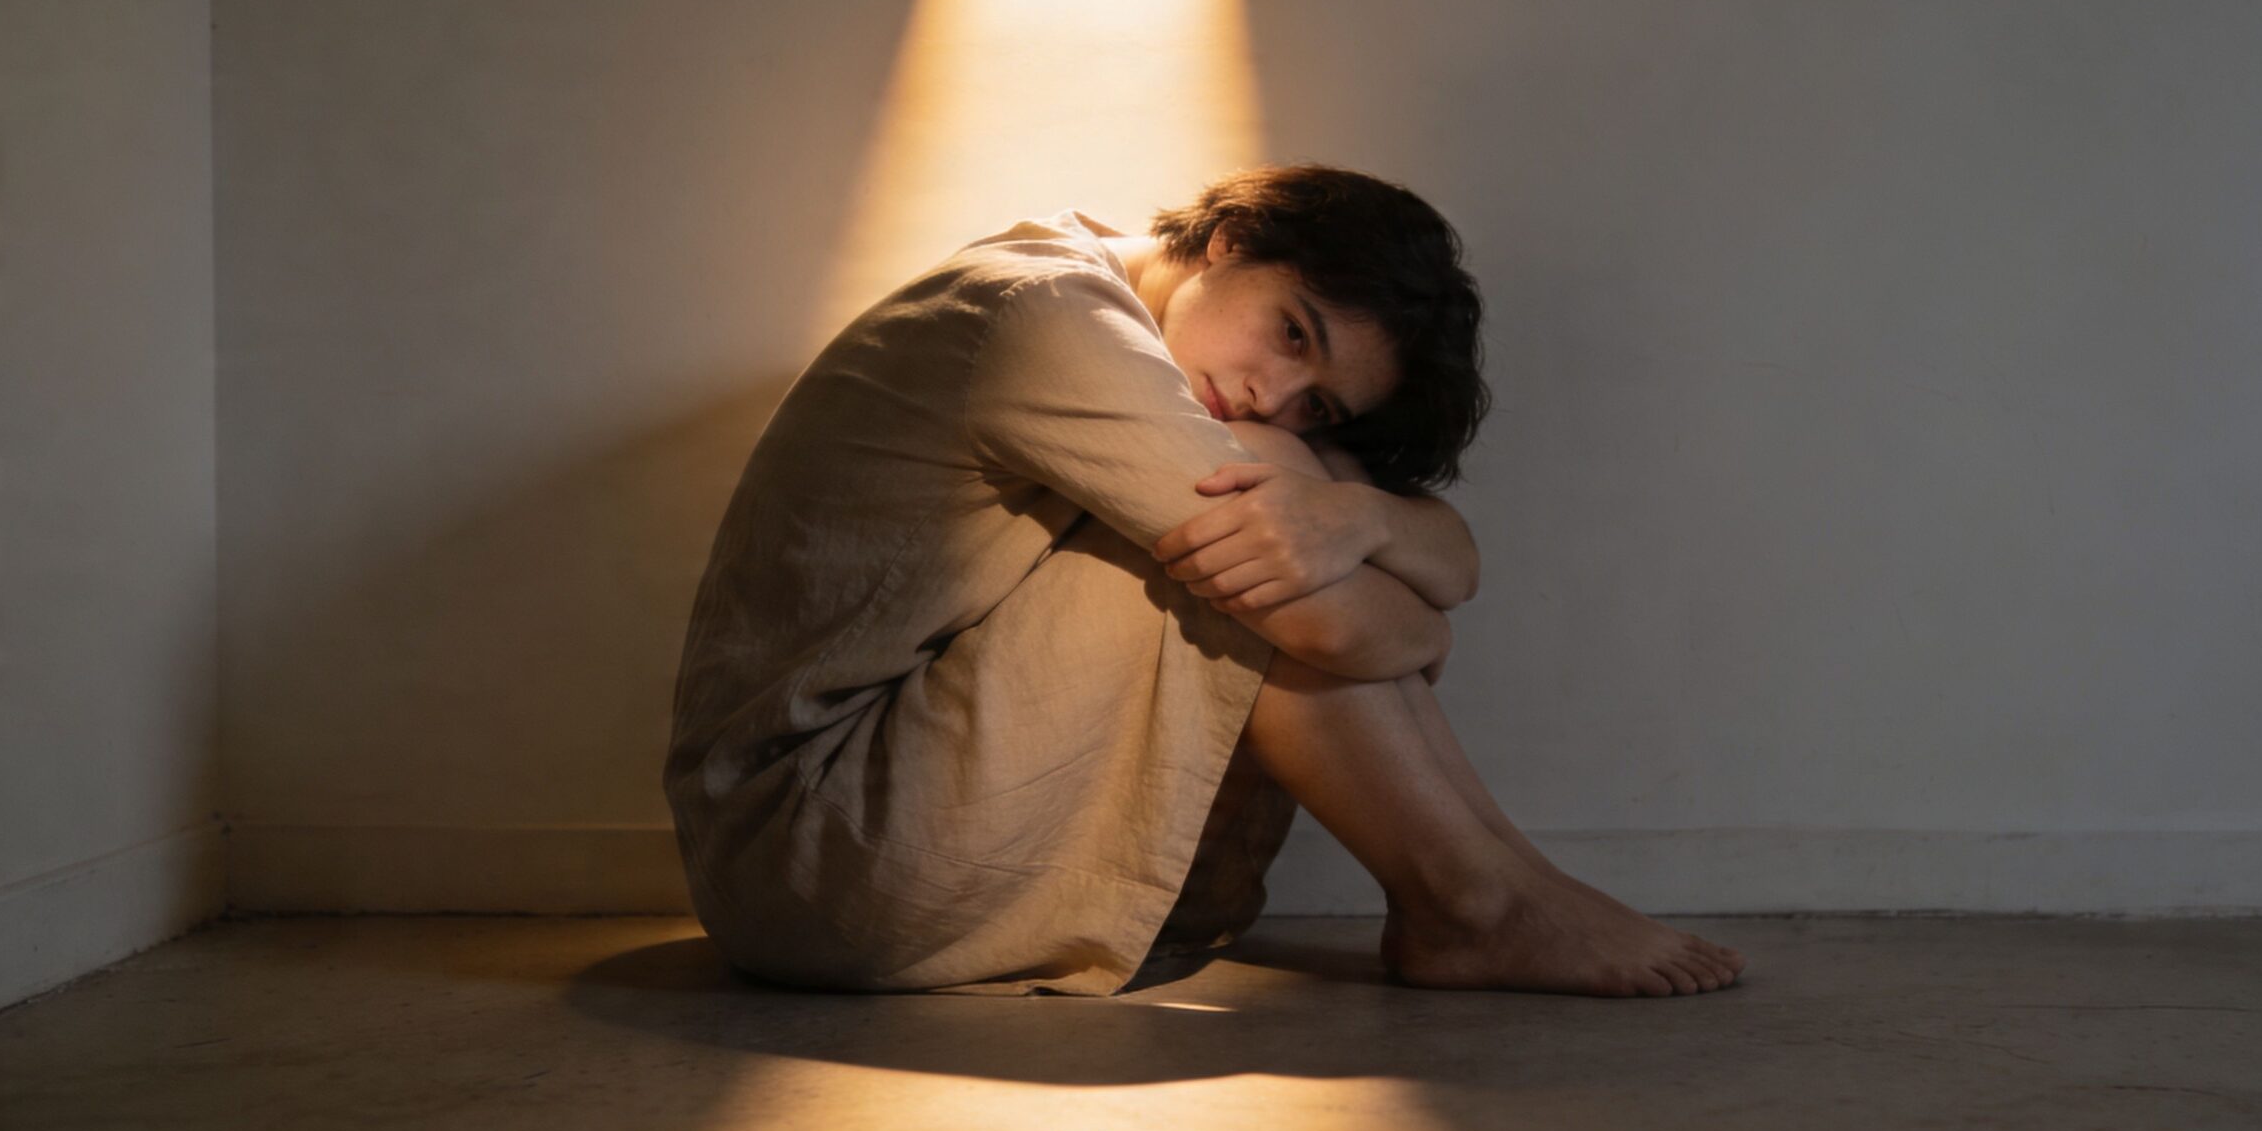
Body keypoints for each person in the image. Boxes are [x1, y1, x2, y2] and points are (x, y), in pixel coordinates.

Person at [663, 162, 1747, 998]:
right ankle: (1471, 899)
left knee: (1275, 490)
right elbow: (1350, 628)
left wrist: (1361, 513)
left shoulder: (1129, 322)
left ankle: (1497, 883)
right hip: (814, 858)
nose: (1271, 390)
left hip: (858, 833)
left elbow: (1443, 561)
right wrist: (1393, 596)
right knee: (1247, 517)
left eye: (1317, 395)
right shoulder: (1042, 316)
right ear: (1231, 239)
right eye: (1291, 333)